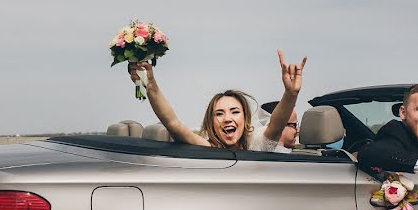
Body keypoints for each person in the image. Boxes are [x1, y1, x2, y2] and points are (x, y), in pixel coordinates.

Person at [127, 49, 306, 152]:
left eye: (235, 112)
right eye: (219, 114)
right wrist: (150, 85)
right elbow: (173, 123)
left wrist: (290, 94)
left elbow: (276, 124)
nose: (227, 118)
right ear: (211, 123)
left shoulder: (259, 145)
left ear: (246, 120)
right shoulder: (207, 149)